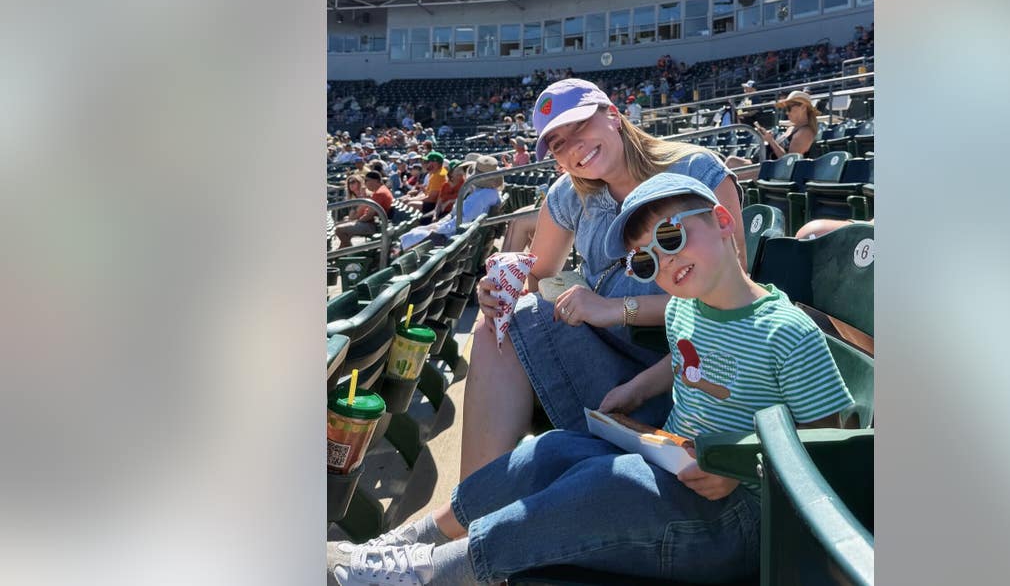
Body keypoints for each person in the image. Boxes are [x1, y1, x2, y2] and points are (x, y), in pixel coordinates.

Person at [329, 173, 852, 586]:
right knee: (553, 450)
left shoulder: (786, 332)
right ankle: (406, 540)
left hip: (741, 519)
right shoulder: (685, 312)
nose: (664, 261)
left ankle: (434, 573)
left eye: (671, 236)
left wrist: (744, 468)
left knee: (603, 484)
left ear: (721, 219)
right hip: (676, 469)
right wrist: (636, 390)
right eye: (646, 261)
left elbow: (826, 442)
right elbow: (686, 359)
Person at [459, 77, 747, 482]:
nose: (573, 146)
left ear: (613, 115)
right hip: (605, 348)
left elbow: (733, 300)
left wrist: (615, 309)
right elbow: (538, 274)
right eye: (558, 143)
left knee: (515, 324)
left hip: (678, 359)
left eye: (579, 126)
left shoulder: (696, 170)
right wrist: (498, 289)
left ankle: (475, 507)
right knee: (496, 323)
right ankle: (475, 500)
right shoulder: (568, 192)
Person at [392, 156, 505, 251]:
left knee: (414, 235)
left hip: (457, 240)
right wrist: (438, 225)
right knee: (416, 232)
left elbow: (460, 221)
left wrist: (437, 228)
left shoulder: (480, 196)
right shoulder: (490, 193)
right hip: (465, 237)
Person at [333, 170, 395, 249]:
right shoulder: (381, 190)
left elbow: (369, 215)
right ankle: (342, 252)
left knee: (339, 229)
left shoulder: (380, 193)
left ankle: (349, 251)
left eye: (366, 180)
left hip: (374, 225)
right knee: (344, 230)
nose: (365, 183)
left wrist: (357, 221)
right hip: (375, 223)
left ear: (375, 180)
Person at [755, 90, 821, 159]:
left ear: (803, 107)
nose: (787, 113)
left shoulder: (805, 132)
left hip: (771, 167)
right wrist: (768, 138)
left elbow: (789, 162)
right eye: (786, 109)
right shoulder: (791, 128)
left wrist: (771, 141)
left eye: (789, 108)